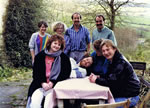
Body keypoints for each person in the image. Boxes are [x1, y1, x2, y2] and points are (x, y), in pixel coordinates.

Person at [89, 39, 140, 108]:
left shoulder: (120, 62)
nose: (105, 53)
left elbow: (112, 82)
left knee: (104, 105)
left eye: (107, 49)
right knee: (98, 100)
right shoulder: (113, 60)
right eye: (103, 51)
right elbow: (110, 75)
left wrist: (96, 80)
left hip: (130, 96)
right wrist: (99, 76)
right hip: (122, 93)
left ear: (114, 49)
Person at [26, 35, 71, 108]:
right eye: (55, 43)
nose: (57, 46)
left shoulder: (64, 58)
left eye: (59, 44)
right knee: (35, 104)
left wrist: (53, 82)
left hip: (55, 86)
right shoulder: (39, 56)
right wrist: (42, 83)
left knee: (48, 105)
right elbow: (35, 73)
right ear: (50, 43)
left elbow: (66, 73)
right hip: (40, 85)